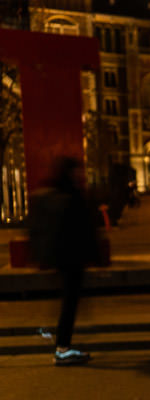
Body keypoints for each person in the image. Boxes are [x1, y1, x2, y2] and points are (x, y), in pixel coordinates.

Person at [28, 156, 100, 366]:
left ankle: (63, 346)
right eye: (76, 171)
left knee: (68, 303)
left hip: (61, 259)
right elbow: (81, 229)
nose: (79, 175)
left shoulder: (47, 195)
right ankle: (62, 349)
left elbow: (36, 229)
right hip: (71, 259)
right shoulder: (69, 196)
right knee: (69, 304)